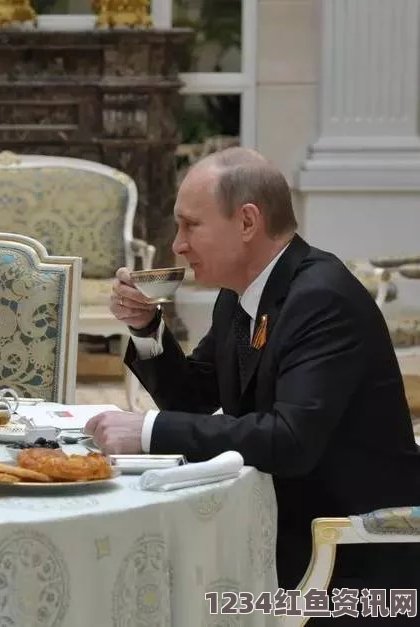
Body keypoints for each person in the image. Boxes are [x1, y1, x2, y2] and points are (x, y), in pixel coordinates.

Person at [84, 147, 420, 620]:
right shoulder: (241, 294)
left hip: (346, 559)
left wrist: (146, 431)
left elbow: (289, 440)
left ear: (247, 222)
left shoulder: (321, 298)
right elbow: (195, 398)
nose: (177, 244)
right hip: (274, 524)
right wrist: (146, 328)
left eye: (190, 225)